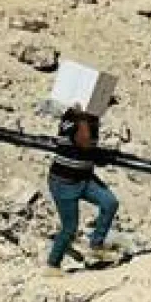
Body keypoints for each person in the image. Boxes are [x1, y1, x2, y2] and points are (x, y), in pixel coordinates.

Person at [44, 106, 121, 274]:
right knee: (70, 228)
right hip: (63, 183)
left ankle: (96, 245)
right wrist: (85, 117)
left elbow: (89, 149)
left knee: (110, 202)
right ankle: (52, 265)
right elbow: (84, 141)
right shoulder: (72, 118)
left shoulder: (91, 119)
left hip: (84, 178)